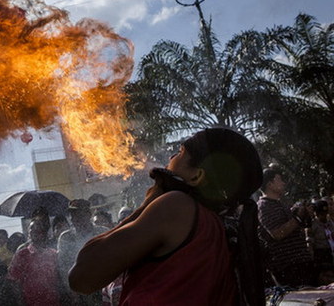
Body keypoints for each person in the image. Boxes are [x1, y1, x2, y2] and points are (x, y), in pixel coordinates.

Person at [69, 127, 265, 306]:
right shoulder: (220, 224)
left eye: (180, 152)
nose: (172, 156)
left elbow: (82, 276)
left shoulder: (176, 207)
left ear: (196, 177)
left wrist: (150, 201)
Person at [258, 167, 315, 287]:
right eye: (279, 180)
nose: (283, 183)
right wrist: (298, 217)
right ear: (270, 184)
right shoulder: (264, 206)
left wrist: (304, 215)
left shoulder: (281, 204)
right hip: (288, 266)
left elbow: (295, 227)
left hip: (301, 262)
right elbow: (277, 233)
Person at [58, 199, 107, 305]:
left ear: (88, 214)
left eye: (79, 214)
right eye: (72, 215)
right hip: (78, 291)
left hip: (102, 288)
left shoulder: (103, 233)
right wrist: (71, 290)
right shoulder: (66, 237)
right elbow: (63, 266)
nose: (74, 219)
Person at [9, 219, 62, 306]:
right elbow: (13, 281)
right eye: (32, 229)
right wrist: (20, 302)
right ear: (29, 234)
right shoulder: (22, 254)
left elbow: (59, 279)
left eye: (39, 229)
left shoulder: (53, 254)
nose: (36, 231)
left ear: (45, 233)